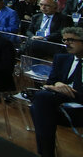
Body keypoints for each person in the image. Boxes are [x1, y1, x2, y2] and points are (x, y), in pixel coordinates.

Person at [30, 26, 83, 156]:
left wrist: (69, 91)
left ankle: (46, 153)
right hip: (60, 101)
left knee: (38, 106)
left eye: (71, 40)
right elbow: (50, 83)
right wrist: (58, 84)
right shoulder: (61, 58)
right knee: (42, 99)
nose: (66, 43)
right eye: (64, 40)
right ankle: (47, 153)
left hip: (80, 104)